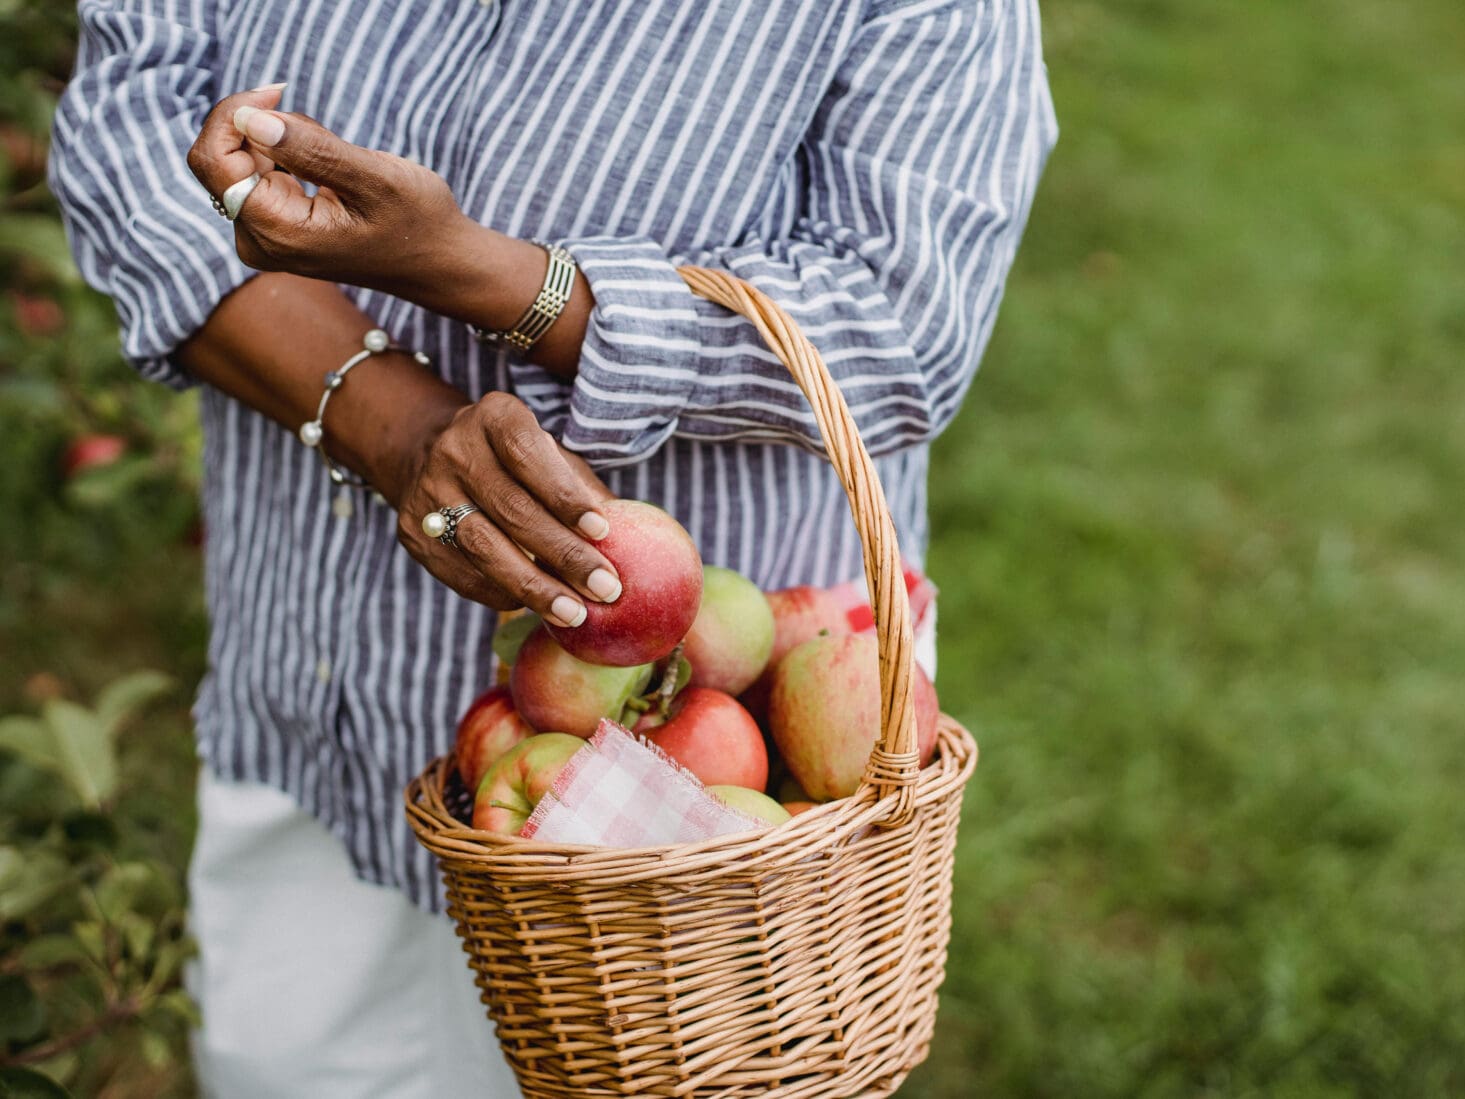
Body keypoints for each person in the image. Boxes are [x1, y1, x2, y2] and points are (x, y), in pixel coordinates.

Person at [49, 0, 1057, 1094]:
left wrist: (494, 277)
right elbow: (128, 111)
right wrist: (392, 425)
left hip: (691, 816)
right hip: (321, 697)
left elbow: (901, 323)